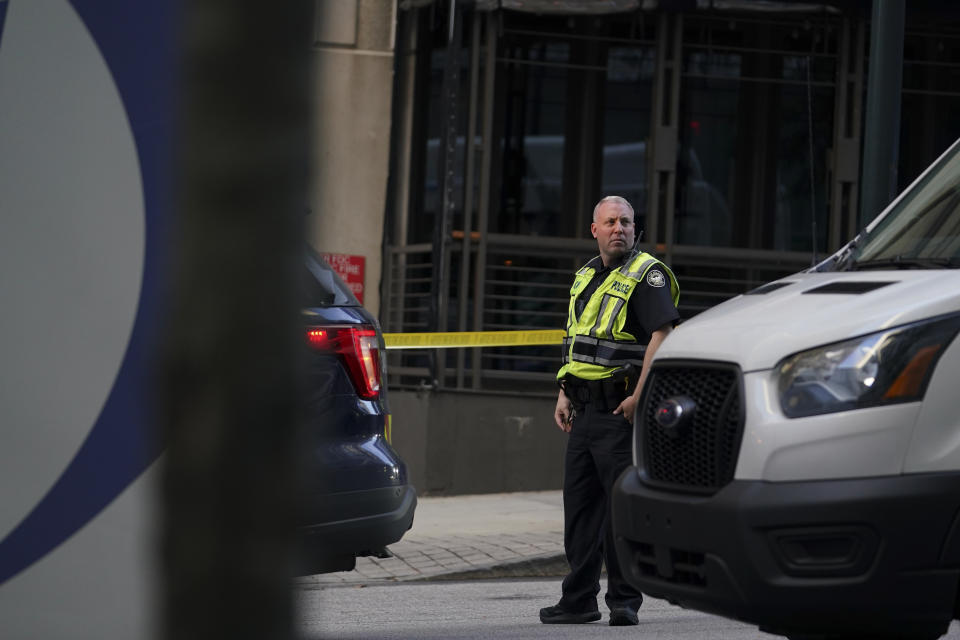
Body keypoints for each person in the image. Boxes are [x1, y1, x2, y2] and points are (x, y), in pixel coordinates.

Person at [540, 195, 679, 626]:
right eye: (610, 222)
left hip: (621, 411)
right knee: (580, 512)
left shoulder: (646, 275)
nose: (619, 228)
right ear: (594, 230)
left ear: (635, 230)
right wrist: (564, 391)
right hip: (583, 411)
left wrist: (640, 395)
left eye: (626, 222)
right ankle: (579, 600)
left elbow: (663, 333)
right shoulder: (585, 276)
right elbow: (577, 341)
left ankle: (624, 600)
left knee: (620, 511)